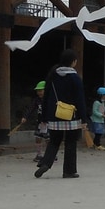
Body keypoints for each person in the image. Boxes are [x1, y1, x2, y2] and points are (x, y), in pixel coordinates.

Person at [34, 49, 88, 179]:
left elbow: (46, 97)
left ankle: (46, 163)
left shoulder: (53, 76)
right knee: (70, 142)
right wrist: (84, 118)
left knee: (54, 141)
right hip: (71, 116)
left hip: (54, 115)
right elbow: (80, 99)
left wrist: (45, 116)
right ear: (73, 62)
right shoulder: (75, 78)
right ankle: (69, 171)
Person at [21, 80, 49, 162]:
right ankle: (39, 154)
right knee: (38, 138)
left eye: (41, 91)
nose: (39, 93)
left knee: (48, 139)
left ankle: (50, 154)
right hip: (40, 122)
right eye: (37, 91)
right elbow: (31, 108)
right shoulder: (36, 100)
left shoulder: (50, 100)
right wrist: (25, 117)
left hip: (48, 123)